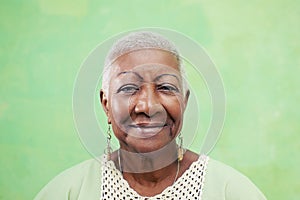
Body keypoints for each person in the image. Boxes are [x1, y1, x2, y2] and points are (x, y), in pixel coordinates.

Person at [35, 31, 266, 199]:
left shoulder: (232, 191)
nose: (148, 106)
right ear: (106, 105)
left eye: (165, 87)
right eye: (128, 88)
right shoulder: (67, 192)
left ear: (184, 102)